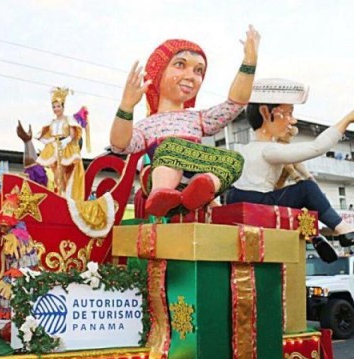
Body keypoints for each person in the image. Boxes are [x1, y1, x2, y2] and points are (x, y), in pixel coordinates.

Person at [109, 25, 260, 217]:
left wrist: (249, 62)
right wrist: (126, 106)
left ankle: (202, 187)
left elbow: (234, 104)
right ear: (158, 72)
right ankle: (162, 196)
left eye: (198, 71)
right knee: (170, 147)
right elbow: (119, 145)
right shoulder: (146, 125)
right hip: (161, 176)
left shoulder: (197, 118)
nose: (191, 76)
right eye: (180, 64)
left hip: (195, 173)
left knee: (235, 159)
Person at [226, 78, 354, 261]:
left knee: (300, 202)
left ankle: (316, 237)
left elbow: (291, 167)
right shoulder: (269, 150)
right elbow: (316, 148)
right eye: (287, 114)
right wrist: (347, 119)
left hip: (237, 197)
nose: (292, 121)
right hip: (258, 199)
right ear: (265, 112)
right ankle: (342, 228)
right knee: (307, 189)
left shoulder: (245, 149)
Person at [34, 87, 86, 200]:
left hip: (65, 149)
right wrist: (48, 141)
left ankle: (64, 195)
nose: (56, 109)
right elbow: (40, 136)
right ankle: (56, 193)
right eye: (54, 107)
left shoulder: (68, 120)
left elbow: (72, 135)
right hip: (53, 148)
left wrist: (65, 141)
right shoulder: (51, 122)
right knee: (54, 173)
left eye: (58, 106)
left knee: (63, 172)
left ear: (63, 106)